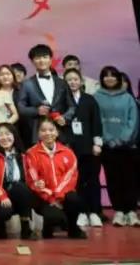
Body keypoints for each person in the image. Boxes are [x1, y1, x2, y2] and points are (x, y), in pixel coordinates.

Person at [92, 65, 138, 226]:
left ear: (118, 78)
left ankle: (131, 211)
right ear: (102, 79)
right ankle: (118, 210)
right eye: (106, 75)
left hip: (127, 147)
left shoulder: (128, 98)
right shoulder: (97, 97)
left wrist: (122, 139)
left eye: (113, 75)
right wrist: (107, 139)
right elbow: (97, 120)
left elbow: (133, 121)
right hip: (107, 147)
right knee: (113, 179)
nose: (109, 78)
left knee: (130, 179)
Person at [25, 117, 86, 239]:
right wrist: (51, 198)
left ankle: (73, 228)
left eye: (51, 130)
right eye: (43, 130)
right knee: (54, 217)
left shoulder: (68, 152)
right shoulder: (31, 154)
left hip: (63, 195)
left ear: (57, 132)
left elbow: (71, 178)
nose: (48, 133)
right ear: (38, 134)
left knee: (74, 199)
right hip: (44, 197)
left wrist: (58, 196)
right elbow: (33, 181)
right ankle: (48, 227)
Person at [61, 67, 103, 228]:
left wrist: (97, 143)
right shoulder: (61, 101)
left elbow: (96, 121)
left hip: (88, 146)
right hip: (70, 147)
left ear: (81, 81)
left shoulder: (89, 99)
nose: (72, 82)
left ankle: (94, 212)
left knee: (92, 180)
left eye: (75, 79)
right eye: (69, 80)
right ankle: (80, 213)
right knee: (75, 181)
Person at [0, 122, 35, 240]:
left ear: (14, 135)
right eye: (1, 135)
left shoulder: (23, 156)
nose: (4, 138)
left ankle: (26, 227)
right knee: (3, 212)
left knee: (22, 188)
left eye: (8, 134)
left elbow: (30, 178)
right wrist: (2, 196)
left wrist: (38, 183)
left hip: (18, 193)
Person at [16, 44, 68, 145]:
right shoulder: (27, 84)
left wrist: (65, 117)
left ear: (50, 59)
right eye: (38, 58)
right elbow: (21, 108)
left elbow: (71, 106)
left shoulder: (61, 82)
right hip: (37, 133)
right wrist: (37, 111)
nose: (42, 60)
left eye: (45, 57)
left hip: (61, 132)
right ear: (32, 61)